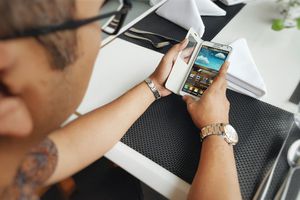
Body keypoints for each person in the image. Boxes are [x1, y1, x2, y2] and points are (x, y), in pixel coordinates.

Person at [0, 0, 242, 199]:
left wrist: (155, 86)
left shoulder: (10, 164)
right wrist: (217, 128)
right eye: (99, 16)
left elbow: (66, 149)